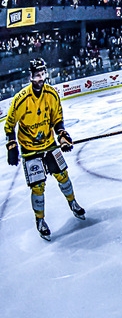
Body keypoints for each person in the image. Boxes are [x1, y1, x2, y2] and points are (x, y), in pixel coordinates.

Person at [4, 58, 86, 240]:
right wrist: (11, 146)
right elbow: (9, 126)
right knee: (38, 187)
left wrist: (63, 136)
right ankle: (40, 220)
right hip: (29, 149)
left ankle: (73, 203)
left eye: (43, 74)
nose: (41, 78)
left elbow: (57, 120)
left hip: (49, 144)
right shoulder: (21, 99)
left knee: (63, 176)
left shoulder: (52, 95)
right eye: (37, 75)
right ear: (30, 77)